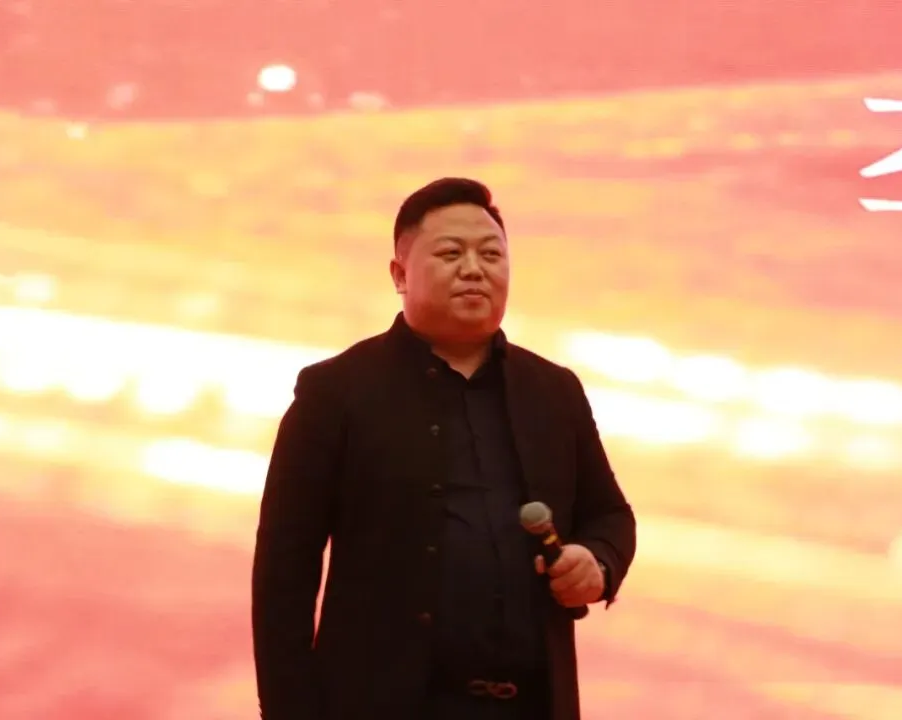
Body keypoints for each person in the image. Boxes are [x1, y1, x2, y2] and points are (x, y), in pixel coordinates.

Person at [252, 177, 636, 720]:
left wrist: (598, 562)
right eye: (451, 254)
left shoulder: (554, 391)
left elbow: (610, 515)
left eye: (491, 254)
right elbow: (283, 576)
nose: (474, 269)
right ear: (399, 274)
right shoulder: (336, 393)